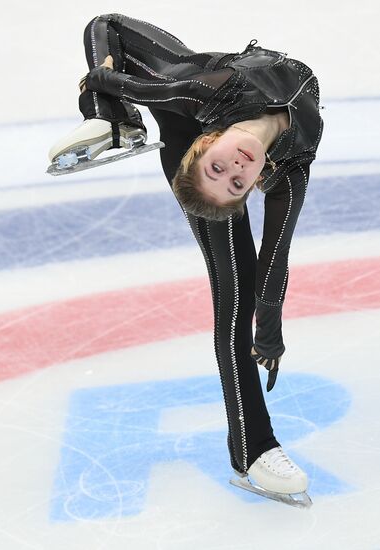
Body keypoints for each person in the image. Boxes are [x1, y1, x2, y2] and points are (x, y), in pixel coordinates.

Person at [48, 13, 324, 506]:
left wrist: (100, 93)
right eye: (235, 182)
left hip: (190, 97)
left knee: (115, 29)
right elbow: (270, 259)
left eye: (223, 171)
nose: (235, 169)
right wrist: (267, 331)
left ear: (209, 143)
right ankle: (253, 450)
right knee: (236, 300)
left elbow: (104, 30)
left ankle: (114, 121)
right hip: (182, 133)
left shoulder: (210, 96)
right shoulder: (283, 158)